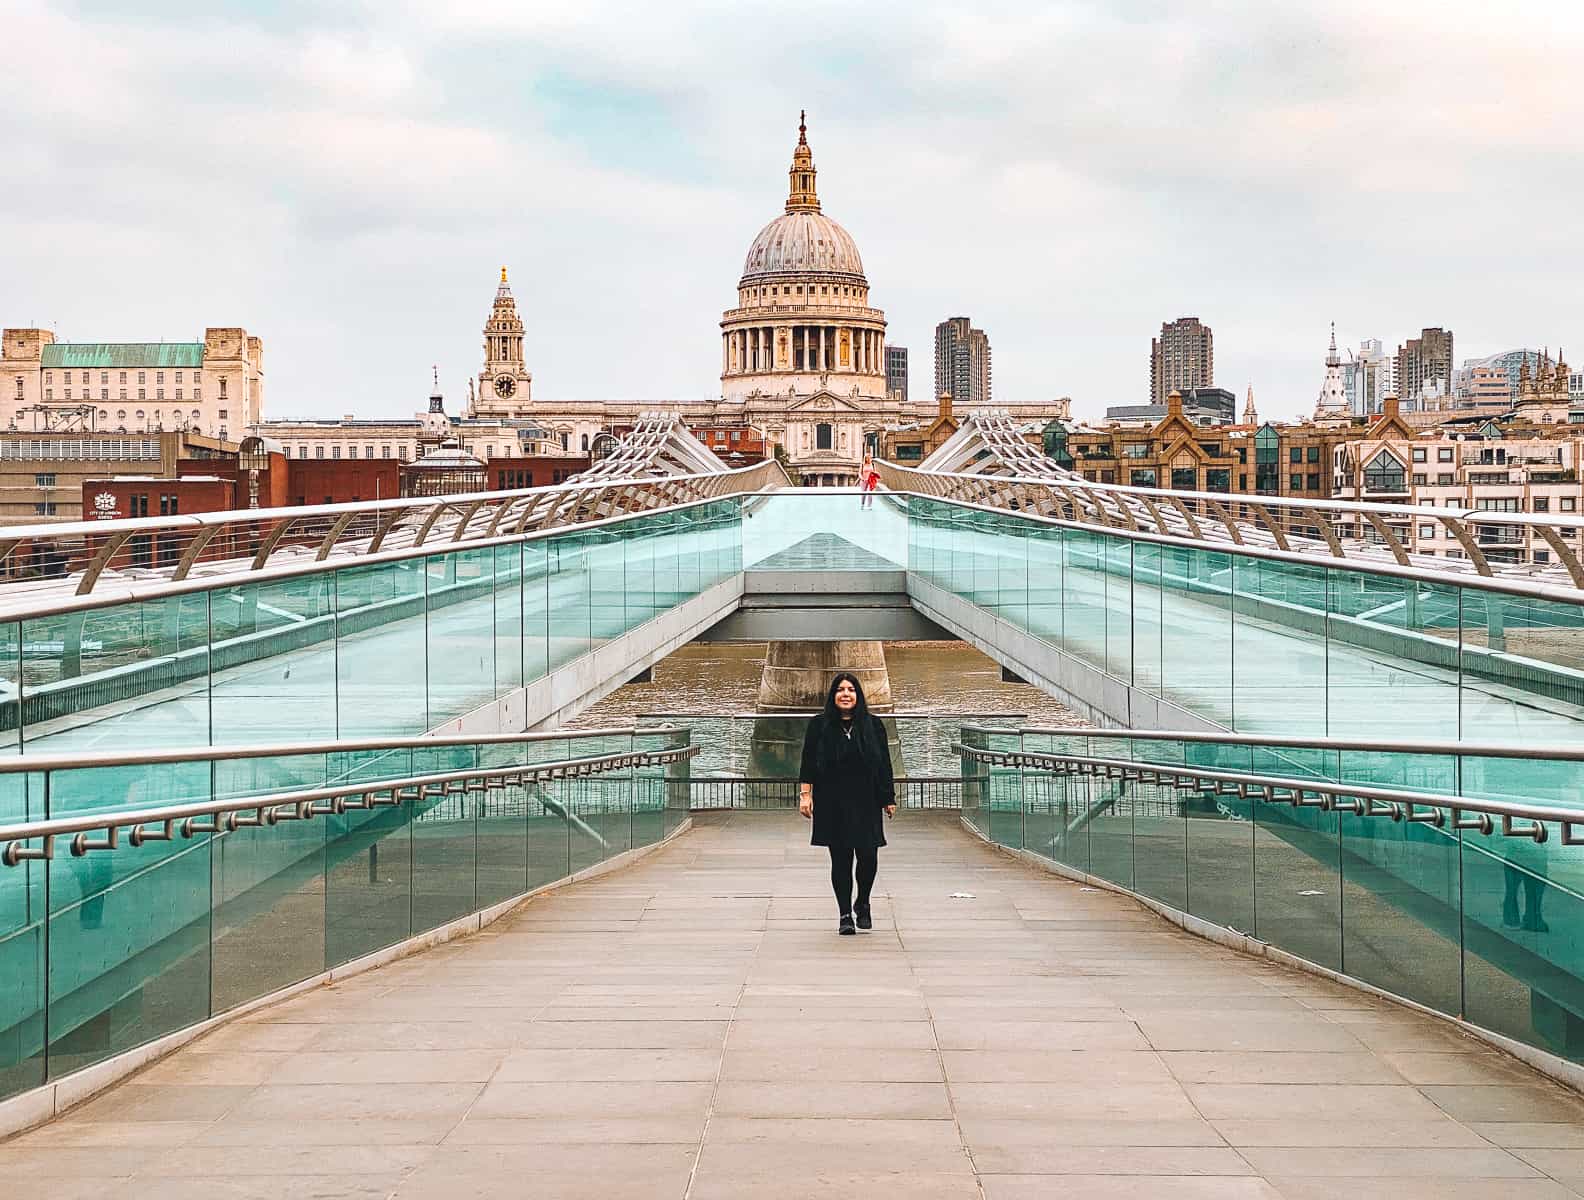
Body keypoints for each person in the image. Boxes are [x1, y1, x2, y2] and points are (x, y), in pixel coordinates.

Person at [798, 673, 896, 934]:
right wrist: (805, 795)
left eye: (851, 690)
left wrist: (888, 798)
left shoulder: (873, 725)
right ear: (833, 696)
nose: (845, 694)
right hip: (832, 801)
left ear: (858, 695)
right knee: (840, 860)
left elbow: (884, 764)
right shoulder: (819, 725)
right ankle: (844, 915)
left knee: (868, 856)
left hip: (866, 799)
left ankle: (863, 901)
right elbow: (808, 762)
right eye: (840, 690)